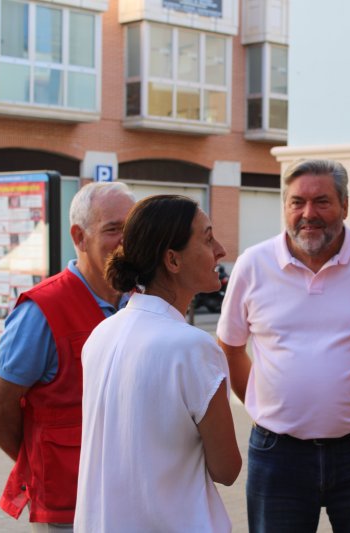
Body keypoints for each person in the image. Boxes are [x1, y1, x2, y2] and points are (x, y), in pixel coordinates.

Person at [217, 159, 350, 532]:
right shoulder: (252, 265)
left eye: (322, 201)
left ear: (345, 205)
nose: (308, 214)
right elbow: (230, 346)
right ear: (285, 207)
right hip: (278, 455)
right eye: (297, 203)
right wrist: (265, 404)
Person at [75, 195, 241, 532]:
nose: (220, 250)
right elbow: (227, 469)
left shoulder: (102, 334)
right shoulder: (193, 348)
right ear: (172, 260)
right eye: (207, 238)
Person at [0, 182, 136, 531]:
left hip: (131, 496)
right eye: (113, 229)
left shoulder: (139, 300)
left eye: (132, 228)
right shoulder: (41, 310)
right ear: (79, 237)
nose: (126, 239)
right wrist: (40, 460)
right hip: (68, 504)